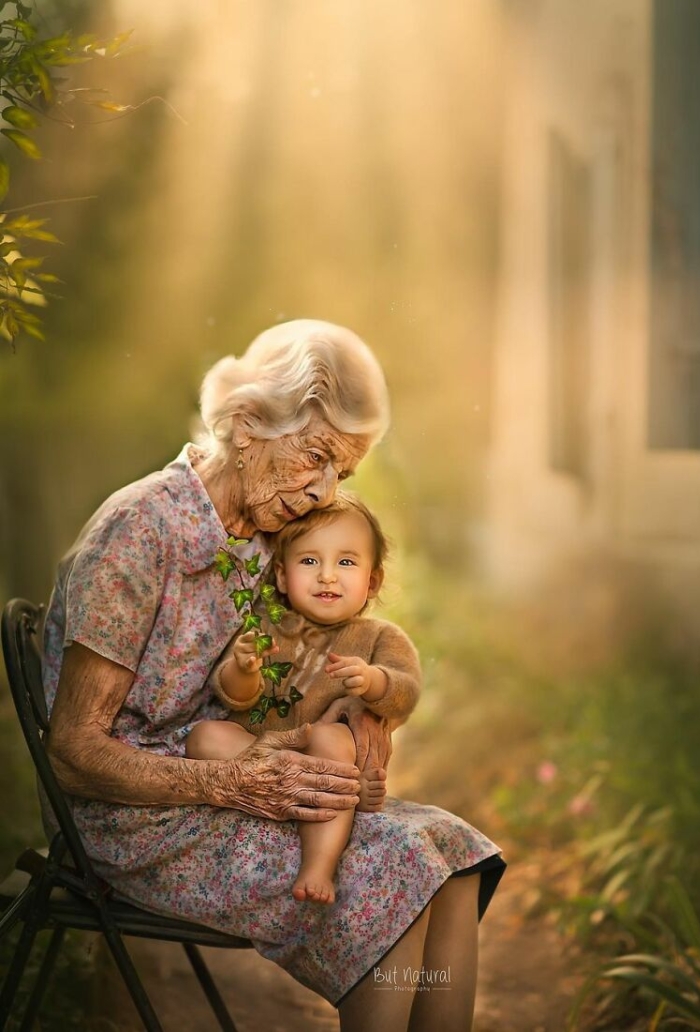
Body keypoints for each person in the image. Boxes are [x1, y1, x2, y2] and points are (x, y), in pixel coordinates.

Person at [42, 319, 505, 1032]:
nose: (322, 491)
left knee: (451, 853)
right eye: (315, 457)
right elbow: (74, 751)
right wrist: (232, 782)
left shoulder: (262, 533)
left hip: (220, 778)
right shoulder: (140, 531)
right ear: (247, 421)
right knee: (392, 864)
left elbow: (314, 649)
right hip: (130, 817)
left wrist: (360, 711)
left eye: (340, 475)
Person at [186, 492, 421, 906]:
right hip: (263, 754)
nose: (327, 576)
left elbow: (405, 692)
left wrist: (372, 681)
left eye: (346, 562)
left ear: (372, 581)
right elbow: (234, 698)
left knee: (330, 741)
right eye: (309, 561)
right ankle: (323, 794)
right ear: (280, 575)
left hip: (325, 759)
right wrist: (244, 669)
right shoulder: (267, 625)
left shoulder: (380, 637)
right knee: (206, 737)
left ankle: (318, 865)